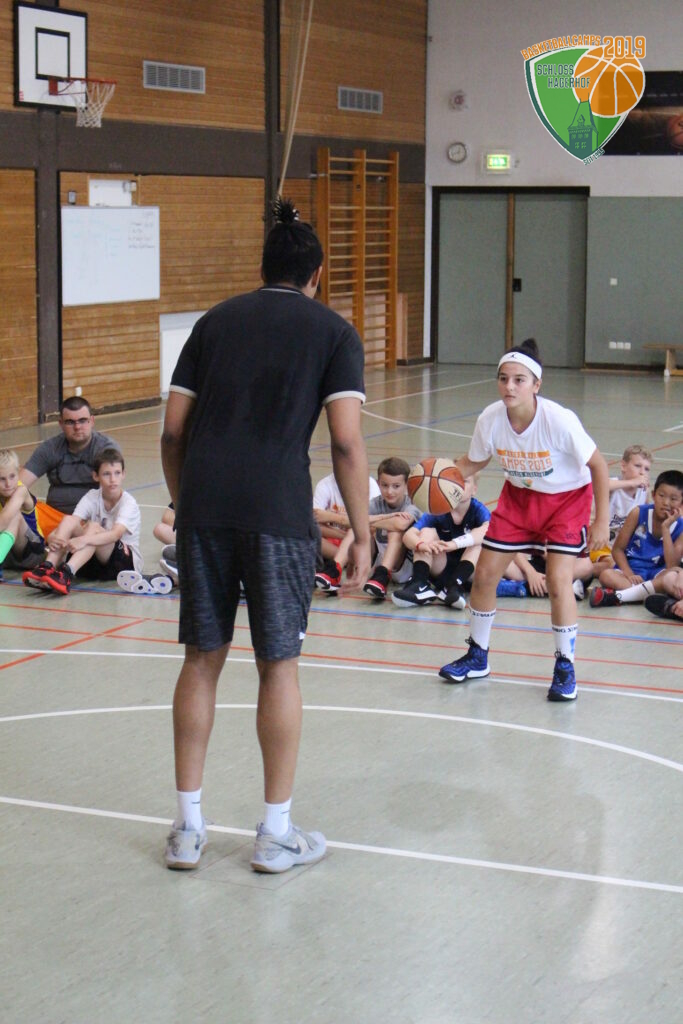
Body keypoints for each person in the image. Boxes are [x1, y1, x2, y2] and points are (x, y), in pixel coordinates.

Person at [160, 198, 371, 874]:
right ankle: (274, 835)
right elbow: (346, 443)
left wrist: (184, 500)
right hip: (278, 512)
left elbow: (172, 431)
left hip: (204, 507)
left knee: (201, 658)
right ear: (316, 274)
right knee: (278, 664)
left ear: (263, 267)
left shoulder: (212, 323)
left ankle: (187, 830)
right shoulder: (334, 333)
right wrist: (361, 532)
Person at [439, 338, 609, 702]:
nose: (509, 386)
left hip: (566, 500)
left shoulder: (558, 420)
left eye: (519, 380)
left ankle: (565, 666)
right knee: (485, 574)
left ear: (536, 384)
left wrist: (601, 522)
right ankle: (477, 655)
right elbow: (474, 461)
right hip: (519, 498)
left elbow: (598, 465)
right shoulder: (490, 419)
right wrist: (440, 476)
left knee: (559, 582)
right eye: (503, 379)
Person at [22, 448, 142, 596]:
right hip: (93, 561)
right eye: (106, 474)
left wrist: (83, 539)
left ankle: (67, 573)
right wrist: (54, 537)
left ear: (123, 474)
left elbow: (115, 535)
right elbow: (72, 523)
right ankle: (47, 566)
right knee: (69, 520)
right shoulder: (92, 496)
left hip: (124, 566)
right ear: (96, 476)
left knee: (93, 527)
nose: (113, 479)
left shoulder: (128, 502)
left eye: (117, 473)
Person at [315, 458, 420, 597]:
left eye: (396, 486)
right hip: (377, 559)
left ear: (406, 485)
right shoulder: (375, 503)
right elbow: (354, 521)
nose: (390, 491)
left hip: (402, 567)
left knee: (394, 531)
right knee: (355, 530)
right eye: (385, 485)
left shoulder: (412, 504)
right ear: (378, 483)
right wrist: (378, 519)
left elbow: (399, 524)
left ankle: (383, 576)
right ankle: (335, 570)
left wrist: (367, 520)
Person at [392, 474, 490, 609]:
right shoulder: (439, 509)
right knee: (426, 532)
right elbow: (408, 536)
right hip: (442, 568)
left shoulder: (478, 510)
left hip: (467, 575)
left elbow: (488, 530)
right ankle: (419, 584)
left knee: (478, 542)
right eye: (455, 481)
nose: (459, 486)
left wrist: (454, 544)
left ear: (474, 489)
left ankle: (454, 585)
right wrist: (421, 545)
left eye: (465, 481)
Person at [589, 470, 683, 607]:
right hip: (632, 571)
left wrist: (666, 529)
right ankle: (642, 593)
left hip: (658, 574)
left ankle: (626, 595)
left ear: (681, 504)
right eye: (661, 495)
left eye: (673, 499)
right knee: (606, 575)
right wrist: (628, 573)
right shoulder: (638, 513)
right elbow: (618, 549)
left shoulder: (680, 527)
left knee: (672, 577)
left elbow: (671, 565)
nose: (666, 502)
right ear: (653, 495)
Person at [20, 396, 120, 515]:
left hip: (94, 518)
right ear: (61, 424)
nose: (77, 427)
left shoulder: (106, 448)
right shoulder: (50, 448)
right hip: (54, 518)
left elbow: (112, 492)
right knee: (18, 495)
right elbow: (19, 483)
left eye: (82, 420)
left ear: (92, 421)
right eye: (70, 422)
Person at [590, 443, 652, 567]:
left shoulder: (644, 493)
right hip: (598, 542)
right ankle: (579, 571)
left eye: (646, 469)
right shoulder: (614, 486)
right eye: (637, 466)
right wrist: (632, 482)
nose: (642, 472)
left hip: (621, 546)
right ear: (623, 466)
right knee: (612, 564)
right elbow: (600, 484)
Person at [313, 470, 380, 575]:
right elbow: (314, 524)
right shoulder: (324, 485)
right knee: (310, 535)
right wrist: (346, 534)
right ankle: (349, 560)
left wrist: (333, 517)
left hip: (358, 541)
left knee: (368, 536)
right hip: (333, 540)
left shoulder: (370, 484)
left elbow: (373, 527)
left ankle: (339, 562)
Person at [0, 449, 47, 574]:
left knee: (15, 516)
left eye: (12, 476)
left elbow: (4, 521)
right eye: (2, 479)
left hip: (33, 552)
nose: (8, 484)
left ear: (18, 472)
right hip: (9, 553)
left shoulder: (21, 491)